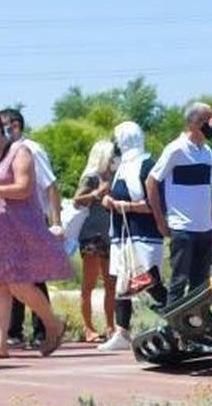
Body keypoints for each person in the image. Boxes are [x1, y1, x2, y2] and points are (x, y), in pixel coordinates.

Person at [0, 109, 70, 359]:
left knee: (19, 282)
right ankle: (0, 344)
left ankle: (52, 323)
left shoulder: (20, 152)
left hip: (19, 229)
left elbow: (24, 188)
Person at [98, 121, 170, 352]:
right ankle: (122, 331)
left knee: (149, 280)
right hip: (123, 235)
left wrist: (124, 206)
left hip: (144, 234)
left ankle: (177, 316)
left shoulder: (148, 165)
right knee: (123, 282)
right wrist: (109, 202)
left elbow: (155, 204)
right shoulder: (122, 167)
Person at [0, 108, 60, 349]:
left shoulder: (31, 149)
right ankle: (14, 331)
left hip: (33, 221)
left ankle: (43, 329)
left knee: (34, 276)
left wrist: (55, 223)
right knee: (13, 275)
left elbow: (51, 185)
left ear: (15, 126)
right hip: (11, 223)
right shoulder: (3, 153)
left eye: (1, 125)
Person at [147, 102, 212, 304]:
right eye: (209, 120)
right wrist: (160, 220)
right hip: (183, 227)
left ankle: (195, 330)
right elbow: (152, 182)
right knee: (179, 281)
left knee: (201, 285)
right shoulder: (175, 150)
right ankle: (173, 329)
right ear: (196, 123)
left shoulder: (207, 152)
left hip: (205, 227)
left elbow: (208, 191)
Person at [73, 140, 117, 343]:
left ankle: (111, 326)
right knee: (89, 283)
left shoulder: (115, 176)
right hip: (91, 234)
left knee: (111, 283)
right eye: (111, 156)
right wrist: (96, 193)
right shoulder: (91, 177)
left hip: (110, 233)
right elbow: (77, 200)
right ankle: (88, 327)